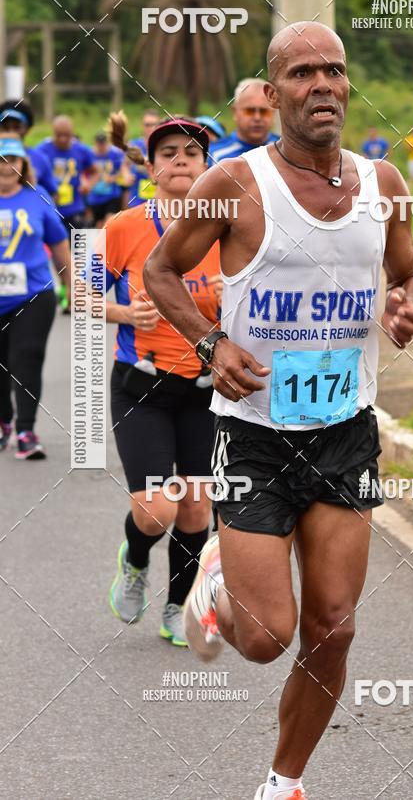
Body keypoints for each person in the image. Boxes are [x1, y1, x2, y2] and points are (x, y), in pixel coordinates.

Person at [144, 22, 413, 799]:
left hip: (345, 432)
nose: (323, 84)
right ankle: (214, 586)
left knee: (333, 626)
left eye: (334, 70)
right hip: (255, 434)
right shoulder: (235, 184)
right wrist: (209, 346)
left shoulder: (384, 184)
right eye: (303, 72)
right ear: (272, 94)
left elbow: (409, 274)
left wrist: (406, 306)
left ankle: (283, 781)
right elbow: (160, 270)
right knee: (267, 637)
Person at [103, 113, 222, 647]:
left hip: (206, 392)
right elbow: (79, 294)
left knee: (197, 507)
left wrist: (235, 293)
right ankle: (134, 559)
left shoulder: (229, 227)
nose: (180, 159)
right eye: (169, 152)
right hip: (141, 386)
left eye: (191, 153)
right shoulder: (123, 227)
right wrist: (125, 315)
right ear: (151, 167)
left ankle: (178, 607)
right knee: (157, 510)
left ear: (205, 167)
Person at [0, 134, 70, 459]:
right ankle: (4, 423)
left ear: (24, 164)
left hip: (33, 293)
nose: (7, 166)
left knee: (26, 358)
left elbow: (58, 244)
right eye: (2, 159)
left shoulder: (37, 197)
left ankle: (26, 430)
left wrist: (71, 285)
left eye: (14, 159)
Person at [35, 115, 98, 230]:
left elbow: (95, 172)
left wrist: (89, 184)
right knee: (57, 246)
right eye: (59, 135)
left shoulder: (82, 150)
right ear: (53, 132)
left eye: (67, 135)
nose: (63, 139)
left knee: (85, 245)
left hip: (76, 209)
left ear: (73, 132)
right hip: (50, 210)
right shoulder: (41, 150)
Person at [208, 78, 279, 166]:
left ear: (274, 112)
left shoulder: (286, 150)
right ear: (234, 112)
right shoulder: (213, 155)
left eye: (264, 111)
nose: (257, 118)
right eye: (250, 111)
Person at [0, 100, 58, 198]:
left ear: (28, 129)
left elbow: (52, 193)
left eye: (17, 127)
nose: (11, 132)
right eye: (6, 127)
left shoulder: (40, 159)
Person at [87, 133, 128, 226]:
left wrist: (113, 178)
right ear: (95, 143)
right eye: (99, 144)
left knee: (109, 221)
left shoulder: (114, 154)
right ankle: (101, 240)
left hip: (111, 195)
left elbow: (122, 169)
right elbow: (83, 172)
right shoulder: (90, 155)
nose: (101, 147)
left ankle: (110, 239)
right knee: (99, 225)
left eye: (103, 144)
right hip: (95, 196)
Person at [126, 109, 161, 208]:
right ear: (142, 126)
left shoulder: (164, 146)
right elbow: (125, 164)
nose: (151, 128)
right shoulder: (134, 145)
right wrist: (126, 174)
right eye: (147, 125)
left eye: (154, 124)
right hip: (136, 200)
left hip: (159, 201)